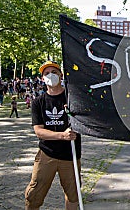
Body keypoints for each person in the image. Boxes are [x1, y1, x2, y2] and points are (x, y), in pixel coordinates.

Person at [25, 61, 81, 210]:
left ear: (61, 75)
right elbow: (39, 131)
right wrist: (62, 136)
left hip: (70, 155)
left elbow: (86, 119)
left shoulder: (72, 98)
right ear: (42, 78)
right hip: (46, 154)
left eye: (54, 72)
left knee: (73, 195)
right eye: (46, 73)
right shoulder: (38, 102)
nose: (51, 75)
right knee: (33, 195)